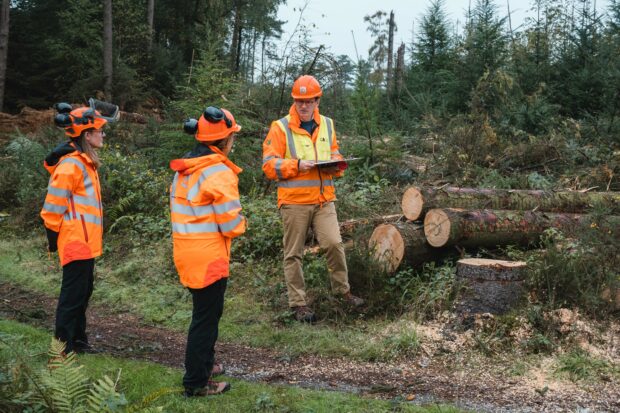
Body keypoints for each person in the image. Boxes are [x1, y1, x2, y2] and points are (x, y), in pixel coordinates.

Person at [262, 75, 364, 323]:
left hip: (323, 199)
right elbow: (268, 165)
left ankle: (343, 293)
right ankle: (298, 304)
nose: (304, 106)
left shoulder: (328, 124)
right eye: (299, 101)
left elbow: (334, 153)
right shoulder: (280, 127)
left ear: (318, 100)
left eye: (309, 101)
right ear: (294, 100)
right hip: (294, 201)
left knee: (333, 244)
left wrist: (337, 166)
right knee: (293, 253)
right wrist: (296, 165)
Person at [170, 106, 246, 397]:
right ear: (224, 140)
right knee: (206, 319)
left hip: (187, 253)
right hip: (209, 257)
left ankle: (206, 363)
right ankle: (196, 382)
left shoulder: (186, 168)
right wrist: (243, 222)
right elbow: (232, 225)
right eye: (232, 137)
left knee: (204, 314)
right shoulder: (218, 172)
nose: (233, 143)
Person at [41, 102, 112, 354]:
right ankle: (62, 350)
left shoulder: (85, 163)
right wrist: (53, 241)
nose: (103, 134)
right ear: (86, 134)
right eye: (99, 130)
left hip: (86, 242)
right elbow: (51, 208)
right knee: (72, 298)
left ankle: (78, 341)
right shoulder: (71, 165)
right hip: (75, 241)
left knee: (83, 293)